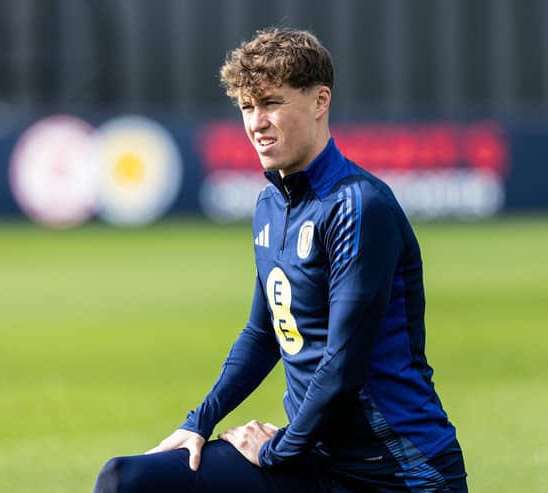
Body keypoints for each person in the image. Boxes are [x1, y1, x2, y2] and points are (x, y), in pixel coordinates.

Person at [93, 27, 468, 493]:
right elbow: (264, 332)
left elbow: (344, 362)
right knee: (125, 480)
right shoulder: (271, 206)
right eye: (247, 107)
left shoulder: (358, 205)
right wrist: (199, 422)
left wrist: (275, 450)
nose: (256, 123)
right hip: (313, 458)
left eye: (271, 102)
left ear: (320, 100)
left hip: (399, 472)